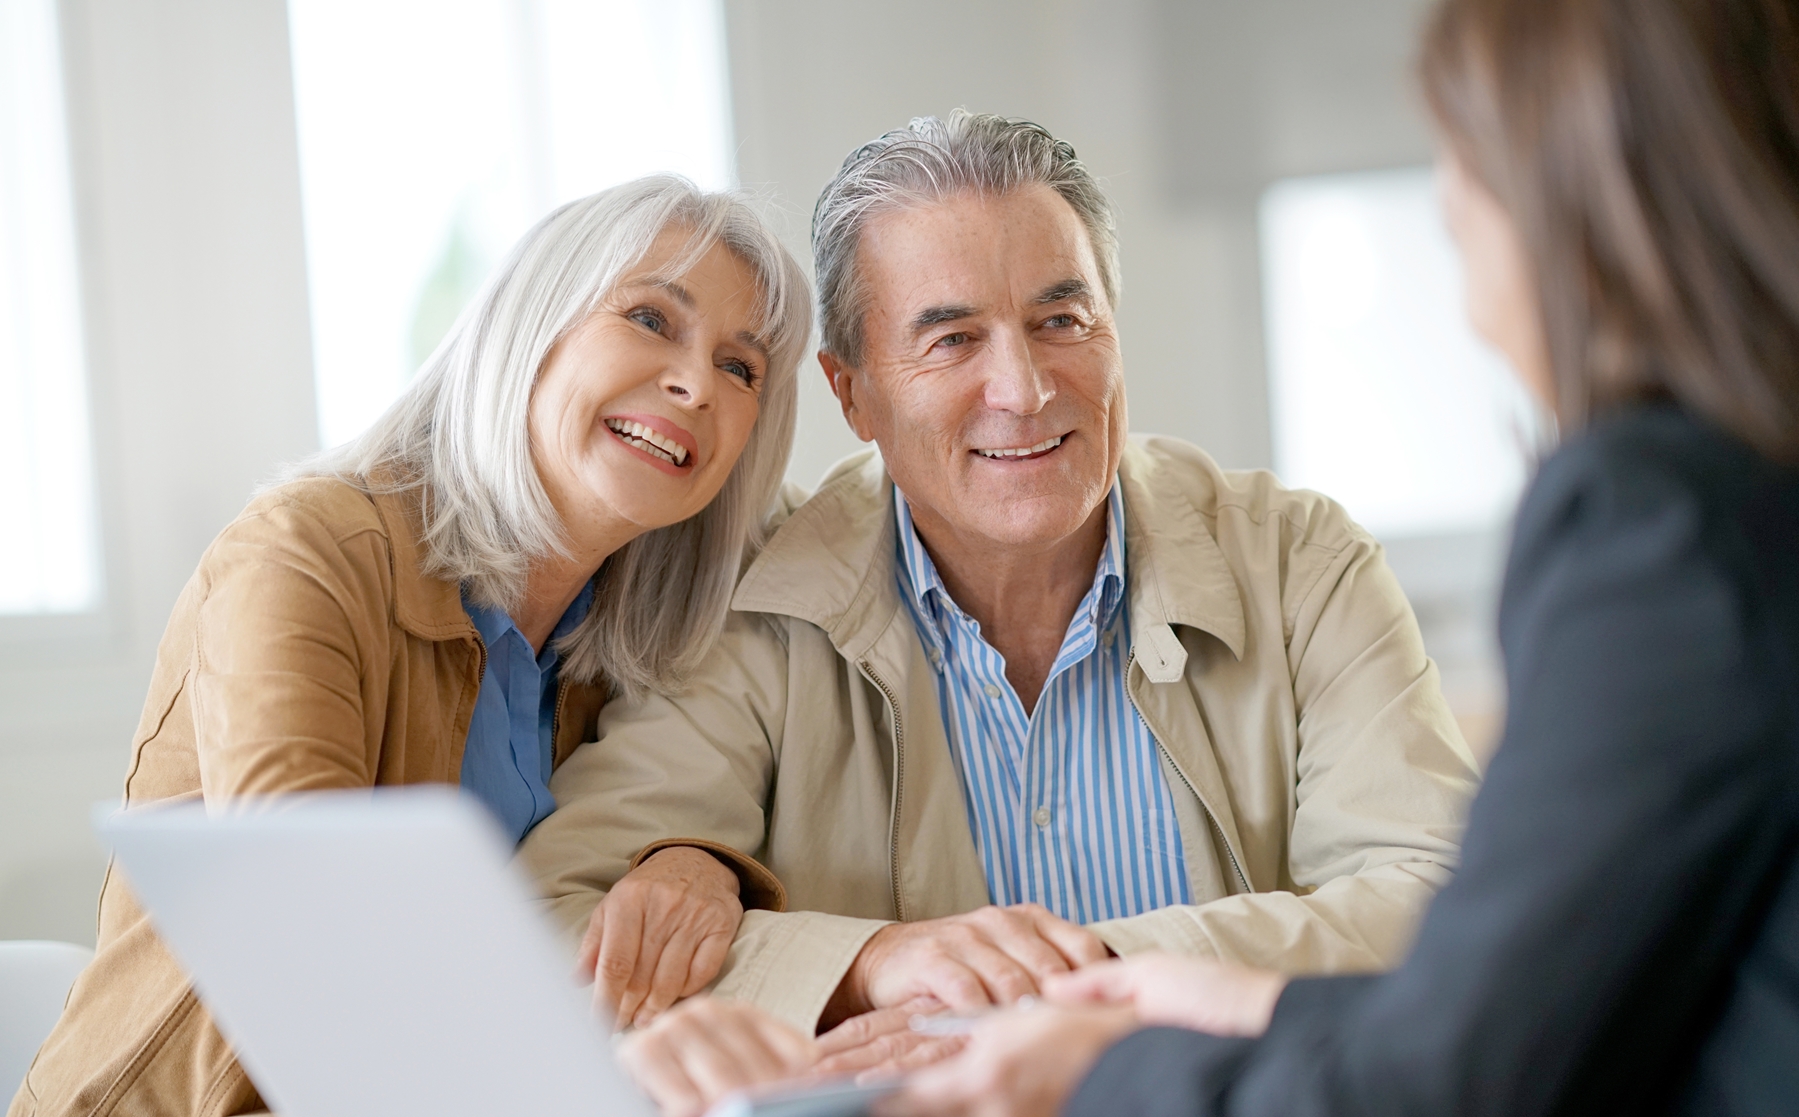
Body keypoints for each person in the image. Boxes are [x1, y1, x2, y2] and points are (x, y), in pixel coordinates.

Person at [873, 1, 1799, 1117]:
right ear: (851, 392)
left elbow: (1437, 1109)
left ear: (1574, 194)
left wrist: (1091, 1080)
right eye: (952, 341)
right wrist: (1245, 1004)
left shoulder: (1657, 523)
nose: (1449, 223)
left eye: (1459, 166)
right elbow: (1555, 1027)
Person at [522, 111, 1480, 1051]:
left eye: (1060, 320)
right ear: (851, 392)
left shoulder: (1302, 565)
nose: (1023, 389)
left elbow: (1436, 894)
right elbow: (555, 924)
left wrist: (1080, 979)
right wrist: (868, 967)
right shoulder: (754, 600)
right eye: (950, 340)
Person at [0, 176, 811, 1117]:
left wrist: (694, 860)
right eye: (650, 318)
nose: (696, 384)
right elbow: (305, 924)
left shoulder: (631, 638)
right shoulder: (307, 550)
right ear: (529, 327)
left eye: (742, 366)